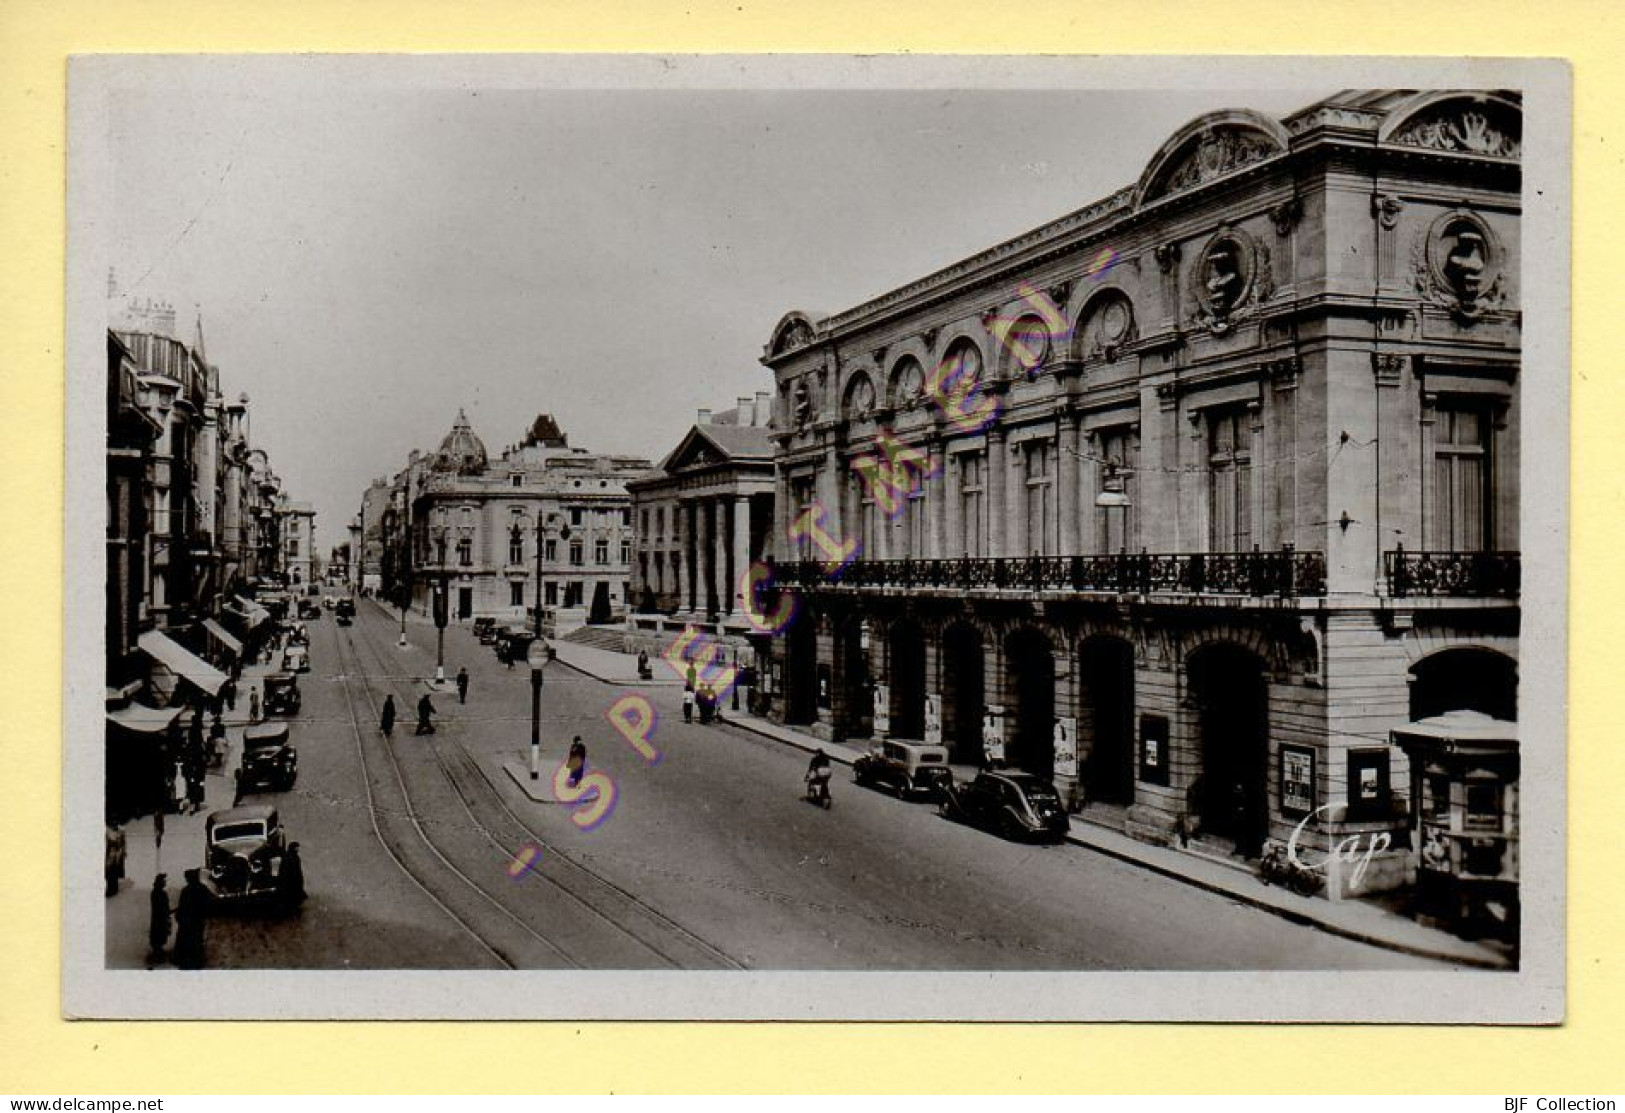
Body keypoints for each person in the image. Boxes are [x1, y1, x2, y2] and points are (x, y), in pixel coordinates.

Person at [172, 869, 208, 970]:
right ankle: (194, 961)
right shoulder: (201, 889)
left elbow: (182, 906)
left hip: (188, 921)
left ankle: (186, 961)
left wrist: (179, 916)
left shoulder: (186, 890)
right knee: (195, 941)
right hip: (195, 921)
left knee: (186, 940)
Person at [147, 873, 171, 963]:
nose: (165, 883)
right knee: (160, 932)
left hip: (159, 917)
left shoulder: (156, 892)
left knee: (159, 932)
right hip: (160, 917)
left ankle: (157, 949)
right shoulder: (160, 893)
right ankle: (158, 951)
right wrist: (168, 912)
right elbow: (162, 907)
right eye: (163, 881)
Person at [278, 842, 306, 911]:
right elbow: (294, 870)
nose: (298, 849)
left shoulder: (287, 856)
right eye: (297, 847)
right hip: (292, 880)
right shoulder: (292, 857)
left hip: (290, 880)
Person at [105, 822, 126, 897]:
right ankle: (112, 888)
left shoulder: (119, 832)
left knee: (112, 872)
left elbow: (122, 844)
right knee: (111, 872)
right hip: (112, 855)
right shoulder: (109, 832)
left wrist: (122, 852)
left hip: (115, 855)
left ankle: (113, 889)